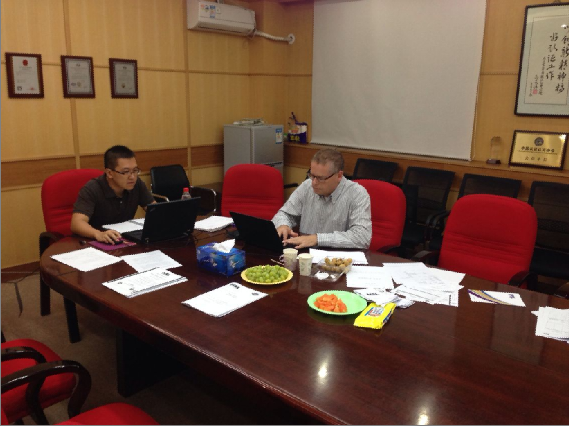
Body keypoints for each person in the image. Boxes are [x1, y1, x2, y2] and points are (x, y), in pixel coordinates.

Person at [272, 148, 372, 249]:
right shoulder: (307, 186)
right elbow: (284, 214)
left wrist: (317, 239)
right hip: (305, 254)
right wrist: (283, 225)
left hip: (337, 256)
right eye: (312, 175)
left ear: (339, 176)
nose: (314, 182)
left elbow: (362, 237)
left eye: (320, 178)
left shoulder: (357, 194)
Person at [70, 145, 155, 244]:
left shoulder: (136, 184)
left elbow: (155, 210)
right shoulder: (92, 189)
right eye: (125, 172)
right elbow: (76, 223)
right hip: (95, 242)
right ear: (109, 173)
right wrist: (98, 234)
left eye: (135, 170)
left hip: (123, 240)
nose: (132, 177)